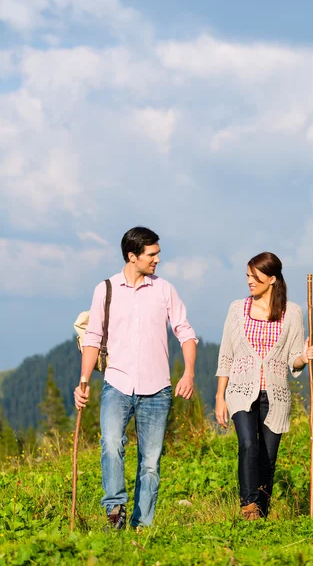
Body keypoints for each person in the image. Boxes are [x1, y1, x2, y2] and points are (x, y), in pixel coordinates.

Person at [74, 226, 197, 530]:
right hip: (117, 383)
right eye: (151, 254)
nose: (157, 260)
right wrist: (84, 381)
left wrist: (189, 372)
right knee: (111, 443)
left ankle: (142, 527)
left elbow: (185, 331)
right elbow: (93, 336)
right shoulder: (106, 289)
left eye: (157, 253)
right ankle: (115, 511)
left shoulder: (165, 289)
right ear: (132, 256)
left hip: (158, 390)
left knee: (151, 462)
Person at [215, 252, 313, 521]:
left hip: (276, 396)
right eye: (248, 275)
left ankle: (262, 511)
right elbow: (226, 354)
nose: (249, 281)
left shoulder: (292, 313)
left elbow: (292, 359)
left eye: (255, 276)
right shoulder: (237, 309)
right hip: (239, 391)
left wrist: (304, 358)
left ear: (272, 279)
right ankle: (249, 507)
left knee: (267, 459)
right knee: (248, 445)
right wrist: (219, 396)